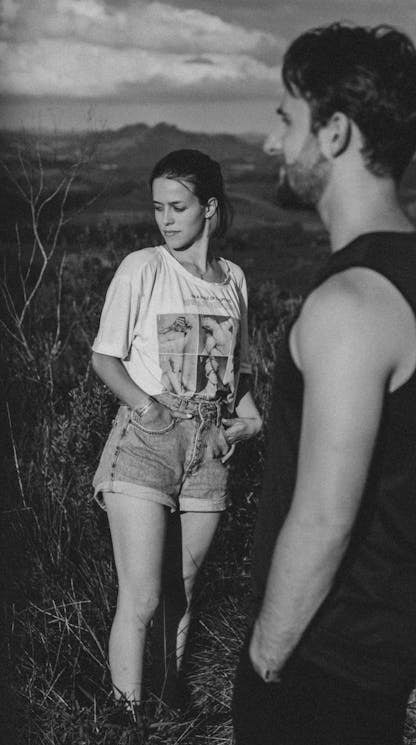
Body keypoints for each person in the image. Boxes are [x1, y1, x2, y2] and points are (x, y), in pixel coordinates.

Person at [232, 23, 416, 745]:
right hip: (382, 646)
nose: (274, 143)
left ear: (333, 133)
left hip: (323, 658)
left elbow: (325, 518)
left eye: (286, 118)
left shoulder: (351, 304)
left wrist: (265, 660)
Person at [91, 149, 262, 728]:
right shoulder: (144, 267)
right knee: (141, 596)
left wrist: (252, 419)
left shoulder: (233, 280)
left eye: (179, 206)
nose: (165, 219)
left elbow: (237, 379)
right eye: (158, 206)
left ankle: (162, 712)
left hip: (210, 450)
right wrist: (149, 408)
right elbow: (104, 358)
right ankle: (126, 722)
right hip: (146, 440)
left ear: (209, 208)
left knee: (182, 590)